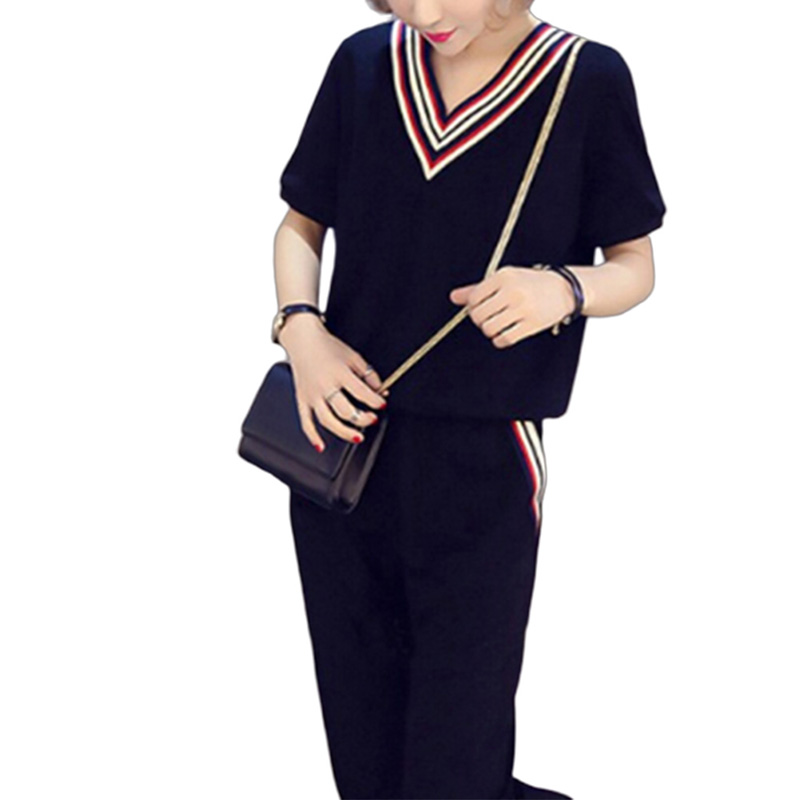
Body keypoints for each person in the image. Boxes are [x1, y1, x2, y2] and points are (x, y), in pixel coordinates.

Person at [271, 0, 666, 797]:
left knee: (457, 758)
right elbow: (299, 227)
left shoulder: (586, 80)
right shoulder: (362, 64)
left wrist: (564, 289)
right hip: (341, 450)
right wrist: (301, 330)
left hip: (485, 464)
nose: (423, 13)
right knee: (365, 751)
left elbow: (636, 265)